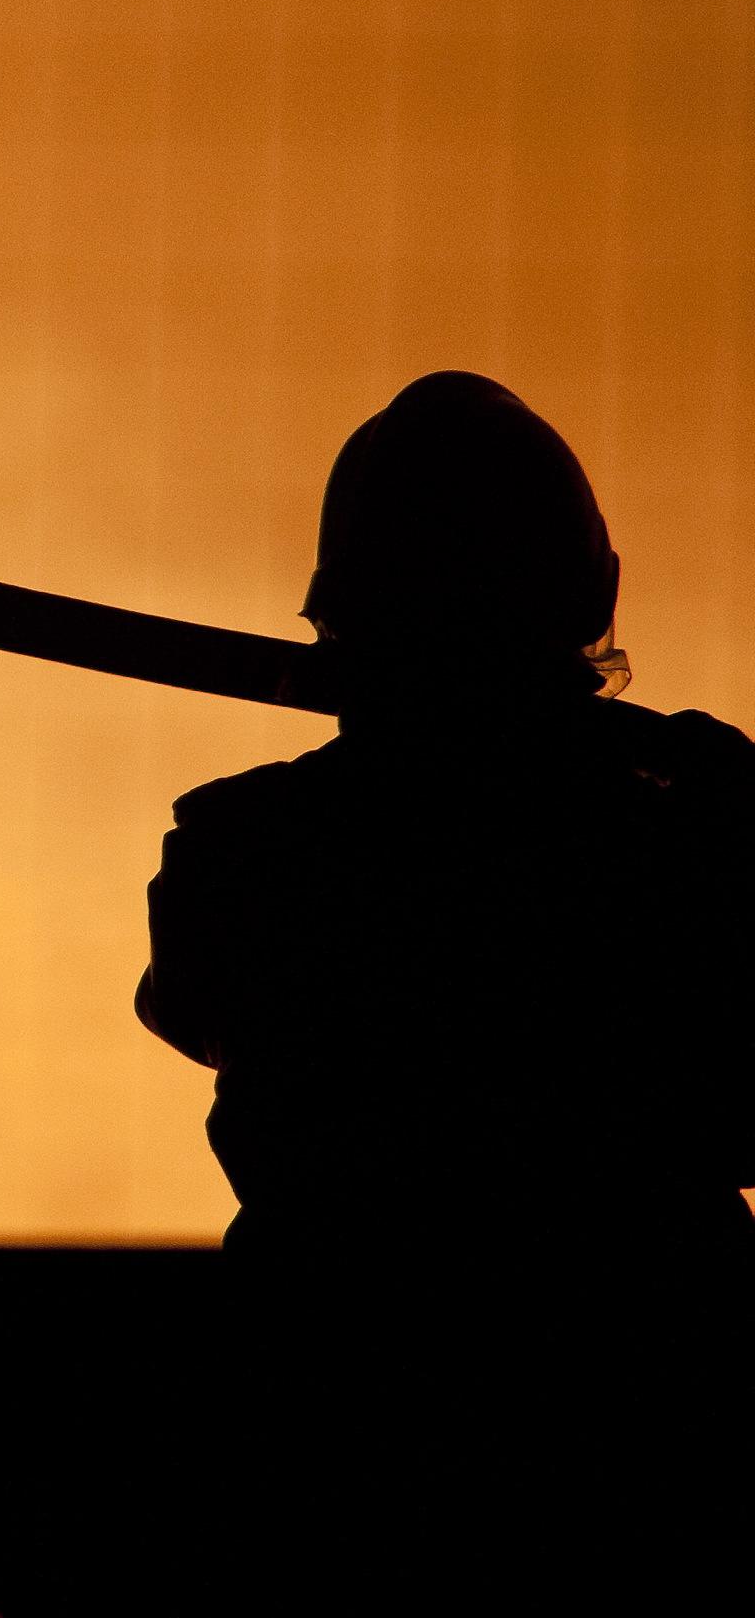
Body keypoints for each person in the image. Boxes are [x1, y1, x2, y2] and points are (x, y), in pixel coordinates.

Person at [135, 371, 755, 1598]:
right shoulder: (697, 820)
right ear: (584, 602)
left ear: (339, 620)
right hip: (654, 1401)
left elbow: (192, 1003)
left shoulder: (247, 848)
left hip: (343, 1408)